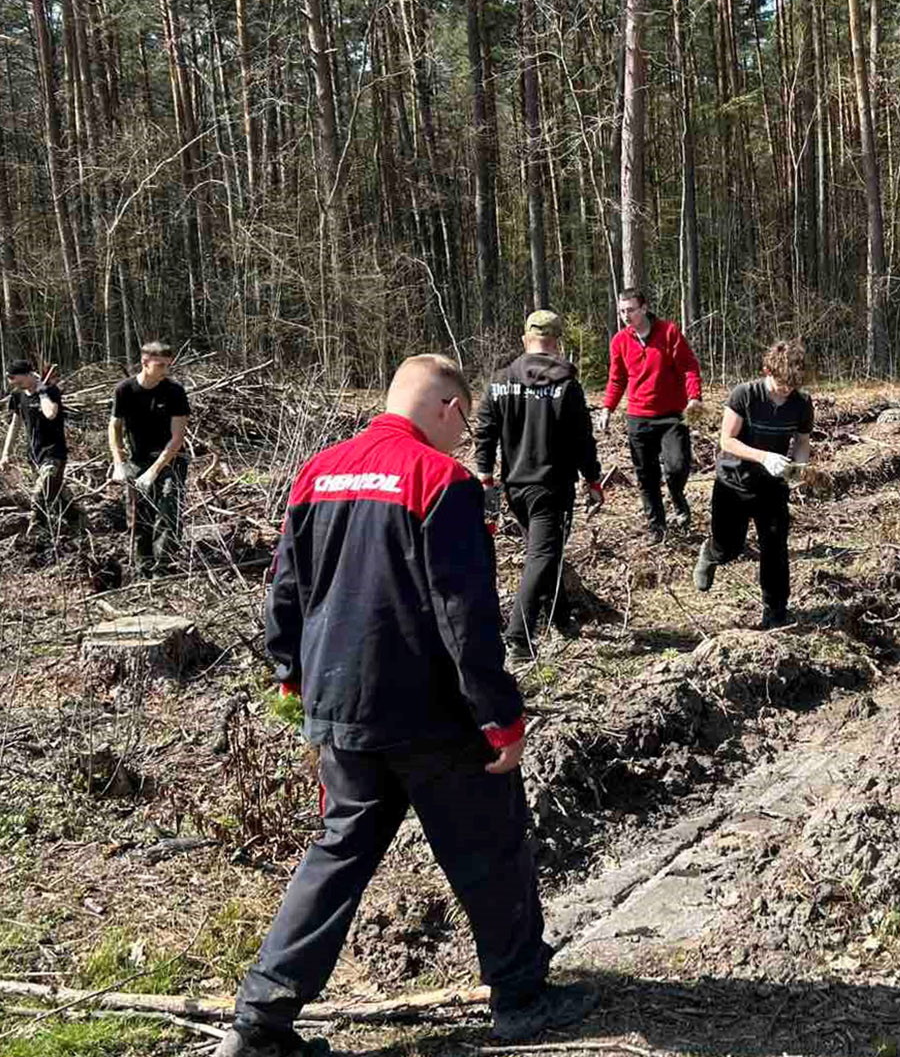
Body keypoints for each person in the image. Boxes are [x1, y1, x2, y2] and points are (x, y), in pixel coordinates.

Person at [214, 355, 592, 1057]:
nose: (463, 435)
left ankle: (261, 1018)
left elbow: (285, 588)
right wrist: (499, 715)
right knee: (493, 848)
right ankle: (520, 997)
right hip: (428, 714)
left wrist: (290, 676)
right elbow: (463, 613)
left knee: (337, 854)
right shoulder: (439, 479)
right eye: (465, 420)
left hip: (340, 706)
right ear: (447, 407)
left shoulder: (316, 472)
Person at [475, 310, 605, 657]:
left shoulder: (500, 380)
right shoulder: (567, 385)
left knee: (547, 552)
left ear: (525, 340)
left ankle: (561, 616)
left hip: (515, 486)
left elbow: (485, 431)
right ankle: (519, 636)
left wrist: (485, 476)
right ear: (557, 342)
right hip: (551, 487)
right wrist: (593, 479)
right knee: (542, 555)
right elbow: (582, 440)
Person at [693, 340, 814, 630]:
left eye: (792, 386)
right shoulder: (745, 395)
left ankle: (775, 611)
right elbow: (727, 440)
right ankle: (711, 554)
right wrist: (764, 457)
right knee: (730, 546)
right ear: (766, 371)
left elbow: (802, 441)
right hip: (733, 483)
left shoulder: (801, 402)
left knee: (775, 547)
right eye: (781, 384)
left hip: (771, 486)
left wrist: (797, 469)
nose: (786, 391)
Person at [597, 287, 702, 542]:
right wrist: (607, 408)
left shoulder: (669, 333)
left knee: (677, 467)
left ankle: (677, 498)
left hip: (671, 415)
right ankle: (657, 527)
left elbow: (689, 367)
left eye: (630, 310)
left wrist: (694, 398)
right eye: (622, 311)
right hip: (638, 416)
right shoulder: (620, 341)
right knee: (646, 475)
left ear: (644, 308)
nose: (626, 315)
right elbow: (617, 378)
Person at [108, 341, 190, 568]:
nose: (166, 370)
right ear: (145, 363)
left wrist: (154, 472)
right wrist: (118, 462)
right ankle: (142, 566)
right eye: (161, 365)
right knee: (137, 515)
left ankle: (163, 568)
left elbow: (177, 438)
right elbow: (114, 426)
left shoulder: (174, 391)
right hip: (137, 458)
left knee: (168, 510)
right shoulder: (124, 390)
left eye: (168, 365)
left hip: (172, 460)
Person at [1, 359, 67, 523]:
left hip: (54, 454)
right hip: (34, 455)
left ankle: (37, 534)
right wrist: (5, 454)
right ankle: (80, 522)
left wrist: (42, 391)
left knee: (39, 497)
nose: (17, 386)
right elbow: (15, 425)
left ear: (29, 375)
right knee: (59, 496)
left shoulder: (51, 391)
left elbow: (51, 413)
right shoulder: (18, 396)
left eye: (20, 382)